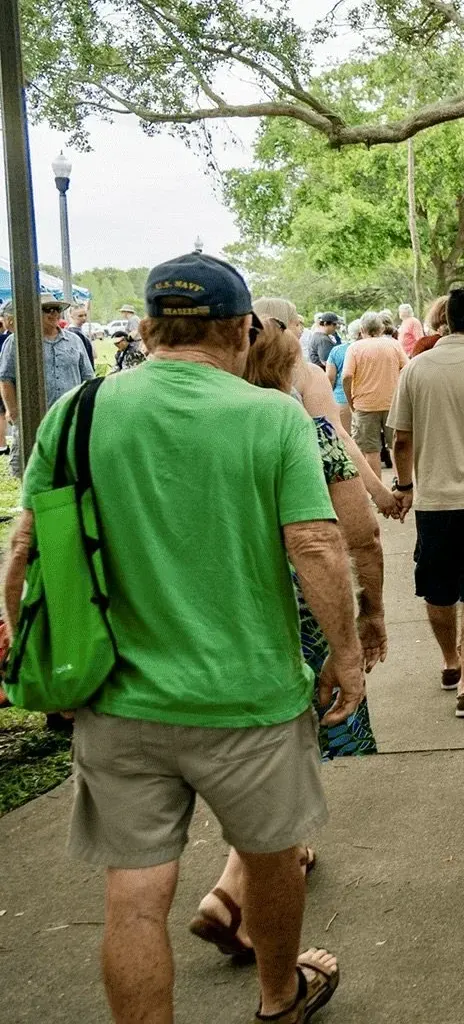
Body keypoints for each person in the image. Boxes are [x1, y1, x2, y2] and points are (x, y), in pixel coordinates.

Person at [5, 254, 362, 1022]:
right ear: (241, 331)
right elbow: (316, 545)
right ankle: (280, 998)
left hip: (119, 698)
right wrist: (348, 656)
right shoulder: (271, 416)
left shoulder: (78, 412)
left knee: (134, 897)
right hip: (252, 698)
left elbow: (23, 552)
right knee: (270, 862)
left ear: (144, 328)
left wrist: (45, 671)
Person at [187, 296, 389, 972]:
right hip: (298, 615)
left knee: (265, 757)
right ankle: (232, 891)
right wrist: (367, 617)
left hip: (219, 619)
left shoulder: (198, 433)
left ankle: (275, 856)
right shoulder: (306, 431)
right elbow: (355, 537)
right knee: (291, 748)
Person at [389, 286, 464, 719]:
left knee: (437, 587)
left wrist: (404, 486)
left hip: (434, 502)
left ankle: (449, 662)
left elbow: (401, 440)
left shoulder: (416, 370)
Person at [0, 297, 96, 473]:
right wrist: (13, 411)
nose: (54, 313)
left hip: (69, 416)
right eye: (47, 309)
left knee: (70, 468)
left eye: (57, 309)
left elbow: (88, 378)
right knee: (30, 468)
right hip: (33, 418)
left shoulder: (75, 340)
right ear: (34, 313)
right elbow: (5, 378)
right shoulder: (17, 341)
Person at [342, 312, 408, 466]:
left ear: (362, 329)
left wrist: (351, 401)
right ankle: (400, 479)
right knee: (396, 447)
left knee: (370, 451)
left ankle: (375, 483)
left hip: (365, 405)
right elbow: (407, 368)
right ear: (382, 328)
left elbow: (346, 376)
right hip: (392, 403)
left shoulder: (354, 348)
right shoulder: (394, 345)